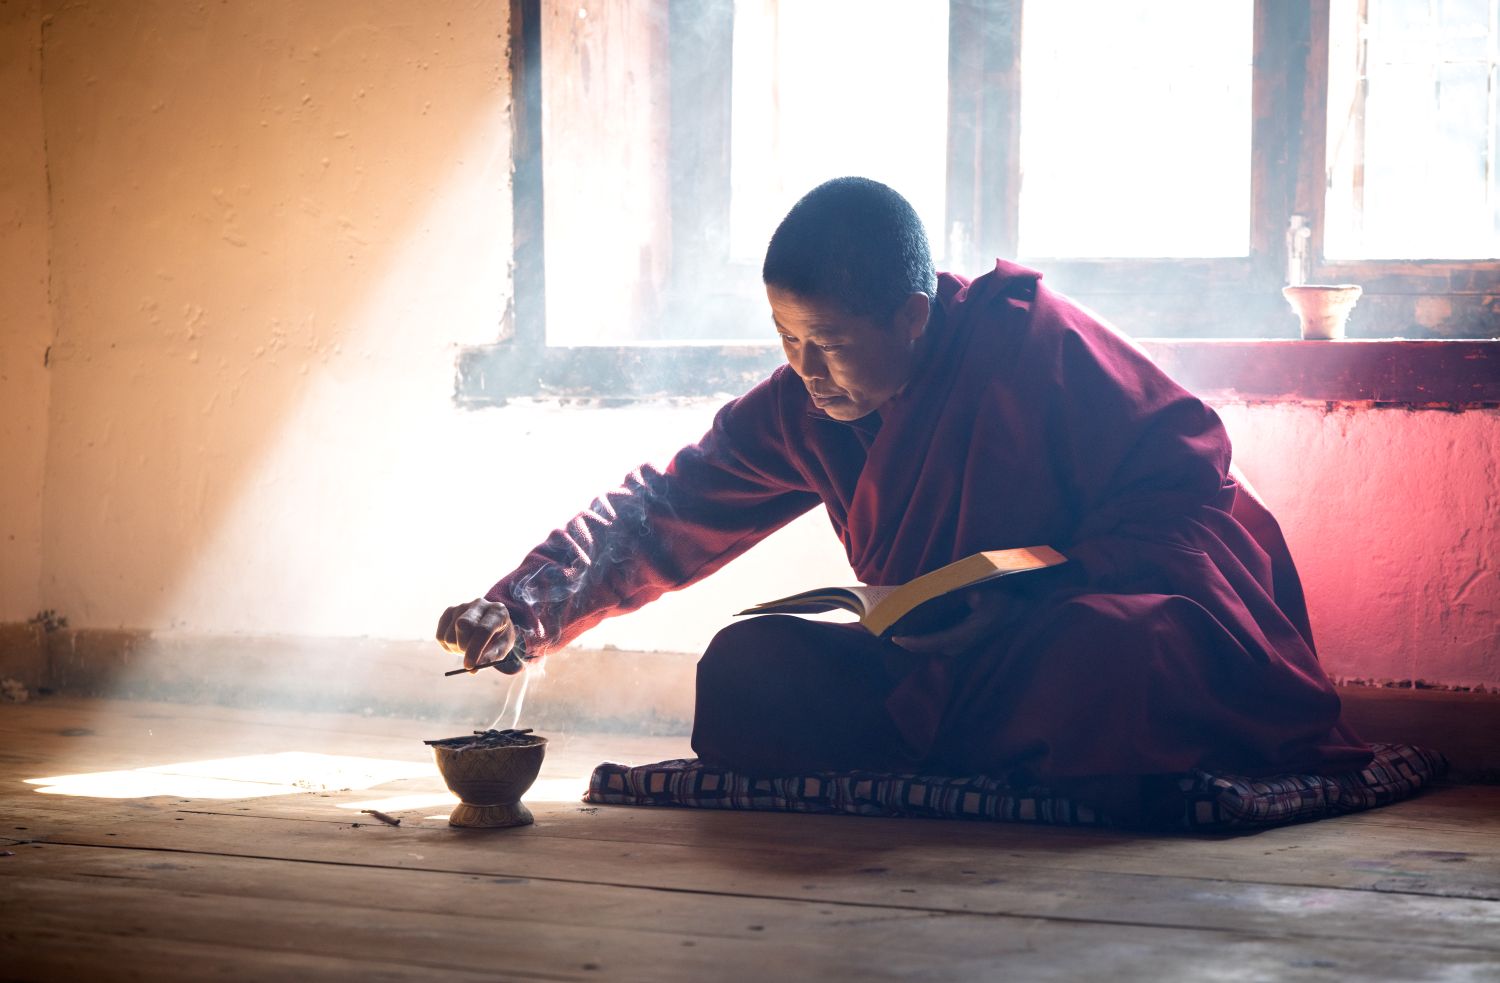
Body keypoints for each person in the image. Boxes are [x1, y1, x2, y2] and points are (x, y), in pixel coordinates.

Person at [436, 177, 1369, 820]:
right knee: (742, 669)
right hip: (937, 661)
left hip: (1063, 629)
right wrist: (524, 604)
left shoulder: (1029, 344)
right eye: (786, 338)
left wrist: (1046, 584)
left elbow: (1189, 481)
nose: (803, 370)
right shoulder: (807, 406)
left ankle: (999, 740)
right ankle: (1009, 756)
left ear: (913, 317)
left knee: (1111, 658)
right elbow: (670, 505)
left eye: (829, 342)